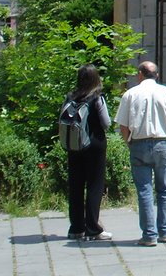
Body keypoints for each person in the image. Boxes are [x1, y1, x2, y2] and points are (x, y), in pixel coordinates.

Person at [115, 61, 166, 247]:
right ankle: (165, 232)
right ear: (157, 75)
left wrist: (128, 141)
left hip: (139, 143)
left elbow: (122, 125)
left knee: (144, 190)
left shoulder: (130, 94)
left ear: (140, 75)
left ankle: (149, 234)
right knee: (164, 189)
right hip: (163, 142)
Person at [64, 64, 112, 241]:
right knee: (94, 186)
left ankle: (76, 228)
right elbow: (106, 123)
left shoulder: (70, 97)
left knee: (75, 186)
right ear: (96, 79)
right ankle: (93, 228)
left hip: (74, 146)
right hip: (94, 146)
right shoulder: (96, 97)